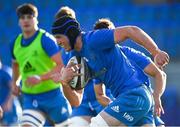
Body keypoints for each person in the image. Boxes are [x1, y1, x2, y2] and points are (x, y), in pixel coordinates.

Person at [51, 15, 169, 126]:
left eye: (59, 37)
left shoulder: (93, 40)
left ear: (70, 33)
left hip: (134, 95)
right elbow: (76, 102)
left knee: (96, 125)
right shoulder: (74, 58)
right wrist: (64, 82)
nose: (57, 42)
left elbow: (130, 30)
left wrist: (155, 52)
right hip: (134, 100)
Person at [10, 3, 79, 126]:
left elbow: (60, 66)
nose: (26, 20)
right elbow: (15, 64)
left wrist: (40, 78)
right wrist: (15, 81)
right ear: (18, 22)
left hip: (52, 95)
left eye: (29, 16)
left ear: (36, 19)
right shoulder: (15, 43)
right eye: (22, 17)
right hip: (30, 97)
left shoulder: (46, 40)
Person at [93, 18, 165, 127]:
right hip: (130, 103)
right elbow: (99, 95)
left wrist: (157, 96)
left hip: (139, 98)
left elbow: (160, 74)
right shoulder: (98, 63)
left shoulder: (128, 53)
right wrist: (116, 106)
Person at [0, 58, 18, 126]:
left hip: (10, 109)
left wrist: (9, 102)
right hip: (1, 110)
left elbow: (14, 88)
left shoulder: (5, 71)